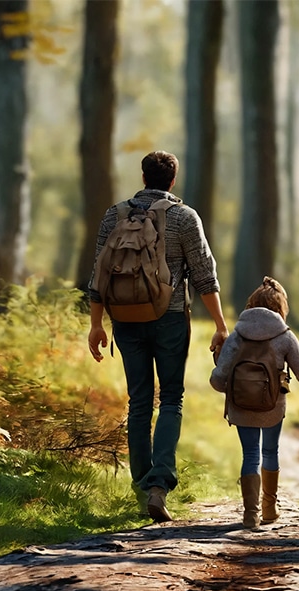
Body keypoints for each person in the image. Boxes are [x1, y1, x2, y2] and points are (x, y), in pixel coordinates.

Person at [87, 151, 229, 523]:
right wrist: (220, 325)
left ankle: (140, 484)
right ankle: (159, 485)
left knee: (138, 401)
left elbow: (98, 274)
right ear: (172, 179)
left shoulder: (114, 215)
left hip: (125, 318)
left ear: (143, 175)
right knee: (170, 398)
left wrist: (96, 324)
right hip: (168, 317)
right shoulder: (184, 217)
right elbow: (203, 275)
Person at [210, 277, 299, 529]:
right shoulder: (285, 336)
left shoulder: (236, 335)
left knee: (250, 454)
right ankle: (269, 509)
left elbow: (217, 380)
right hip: (272, 407)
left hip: (241, 408)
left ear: (252, 304)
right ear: (281, 307)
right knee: (270, 452)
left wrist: (235, 388)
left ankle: (250, 514)